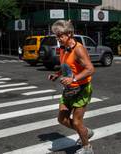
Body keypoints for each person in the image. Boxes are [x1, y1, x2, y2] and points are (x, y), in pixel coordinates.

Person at [48, 20, 95, 154]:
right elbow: (67, 67)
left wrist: (73, 79)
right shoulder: (63, 48)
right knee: (62, 119)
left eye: (60, 36)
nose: (58, 39)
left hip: (82, 89)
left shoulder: (78, 49)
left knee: (76, 122)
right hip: (69, 89)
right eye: (56, 36)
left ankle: (87, 148)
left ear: (69, 34)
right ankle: (85, 132)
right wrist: (57, 74)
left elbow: (90, 69)